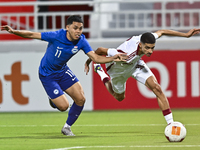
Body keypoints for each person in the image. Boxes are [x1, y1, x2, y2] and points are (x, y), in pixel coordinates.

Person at [1, 15, 127, 136]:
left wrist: (113, 58)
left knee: (81, 99)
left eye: (80, 28)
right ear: (68, 27)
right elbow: (32, 34)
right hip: (47, 74)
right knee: (63, 106)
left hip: (62, 71)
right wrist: (13, 31)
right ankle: (53, 100)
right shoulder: (56, 36)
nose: (78, 31)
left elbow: (95, 57)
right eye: (75, 28)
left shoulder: (82, 41)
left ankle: (67, 127)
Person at [85, 28, 200, 125]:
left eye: (152, 47)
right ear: (140, 45)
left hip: (135, 64)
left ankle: (171, 124)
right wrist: (88, 61)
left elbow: (162, 32)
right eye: (147, 48)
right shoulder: (124, 53)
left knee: (157, 88)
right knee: (119, 97)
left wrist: (185, 35)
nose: (150, 51)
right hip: (117, 71)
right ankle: (100, 72)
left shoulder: (147, 39)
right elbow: (99, 50)